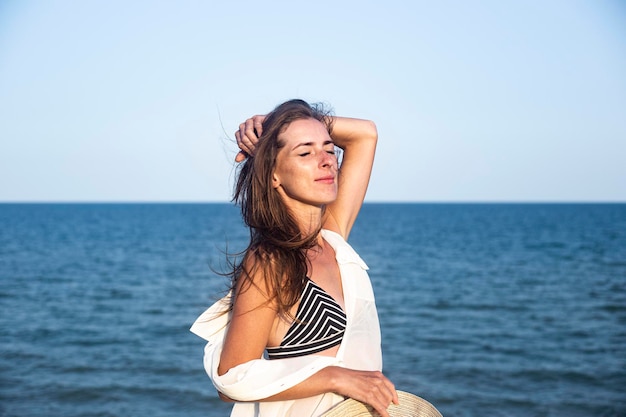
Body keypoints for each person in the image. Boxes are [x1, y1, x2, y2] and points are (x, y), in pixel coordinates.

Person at [191, 99, 397, 417]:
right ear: (274, 174)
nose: (326, 161)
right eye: (305, 152)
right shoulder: (270, 261)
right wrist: (336, 377)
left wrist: (272, 122)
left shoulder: (332, 238)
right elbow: (230, 379)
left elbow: (364, 134)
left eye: (329, 149)